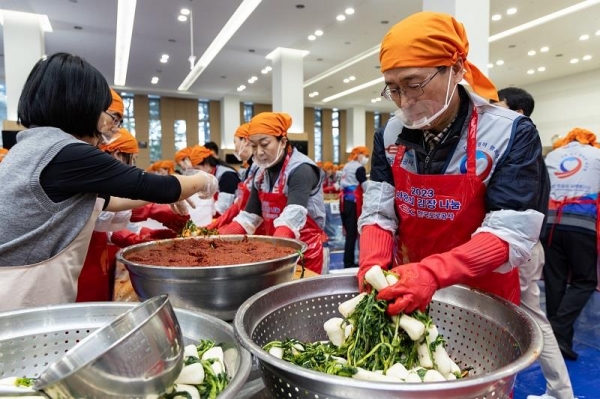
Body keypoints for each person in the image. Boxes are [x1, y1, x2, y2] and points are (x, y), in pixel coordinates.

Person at [357, 12, 548, 317]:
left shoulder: (508, 132)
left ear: (457, 69)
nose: (404, 101)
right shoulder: (390, 133)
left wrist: (433, 273)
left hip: (481, 296)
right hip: (406, 288)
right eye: (393, 88)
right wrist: (373, 263)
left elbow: (510, 232)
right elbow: (379, 210)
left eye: (414, 84)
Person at [0, 52, 218, 311]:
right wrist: (201, 179)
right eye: (105, 113)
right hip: (18, 295)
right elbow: (156, 186)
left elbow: (106, 201)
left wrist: (165, 198)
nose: (106, 125)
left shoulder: (34, 145)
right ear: (79, 105)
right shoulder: (66, 152)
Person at [494, 87, 575, 399]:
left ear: (519, 112)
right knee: (528, 318)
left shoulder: (522, 148)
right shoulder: (528, 152)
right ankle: (560, 390)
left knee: (523, 318)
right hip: (527, 248)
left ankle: (558, 391)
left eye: (498, 106)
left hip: (519, 250)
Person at [218, 112, 327, 274]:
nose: (259, 152)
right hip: (279, 250)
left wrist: (268, 254)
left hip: (307, 253)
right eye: (254, 146)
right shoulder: (261, 174)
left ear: (282, 142)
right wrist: (217, 240)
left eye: (265, 144)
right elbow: (248, 217)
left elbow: (291, 219)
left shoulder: (301, 170)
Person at [542, 127, 600, 362]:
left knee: (554, 281)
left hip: (549, 223)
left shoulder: (553, 155)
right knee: (585, 281)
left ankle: (559, 343)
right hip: (581, 224)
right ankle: (557, 328)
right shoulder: (596, 155)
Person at [208, 123, 260, 229]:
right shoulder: (250, 169)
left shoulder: (259, 168)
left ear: (245, 141)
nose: (235, 148)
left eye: (235, 142)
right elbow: (240, 203)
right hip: (248, 225)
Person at [189, 145, 241, 216]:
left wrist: (202, 213)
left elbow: (223, 207)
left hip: (233, 216)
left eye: (198, 169)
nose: (197, 174)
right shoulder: (211, 175)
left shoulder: (227, 176)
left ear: (206, 165)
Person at [340, 146, 369, 268]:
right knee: (353, 233)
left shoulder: (347, 165)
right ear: (358, 155)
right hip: (353, 202)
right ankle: (349, 262)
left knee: (349, 234)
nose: (366, 158)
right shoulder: (359, 168)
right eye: (365, 155)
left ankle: (348, 260)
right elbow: (365, 185)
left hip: (344, 201)